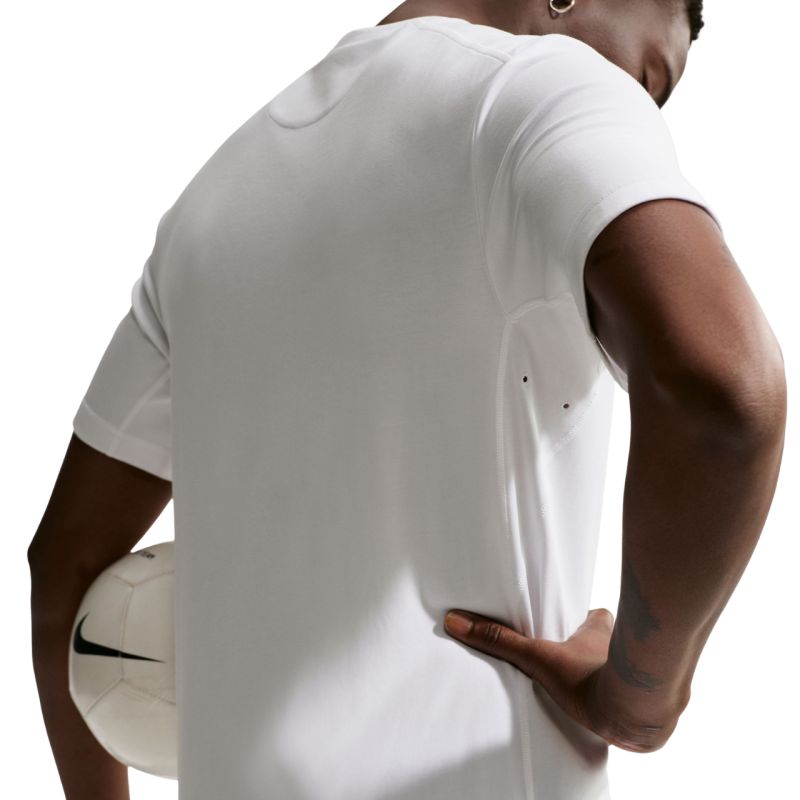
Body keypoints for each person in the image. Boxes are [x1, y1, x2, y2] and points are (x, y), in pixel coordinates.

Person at [28, 1, 786, 798]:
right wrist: (642, 693)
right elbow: (725, 393)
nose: (644, 110)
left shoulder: (210, 204)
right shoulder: (548, 95)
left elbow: (66, 565)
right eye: (651, 79)